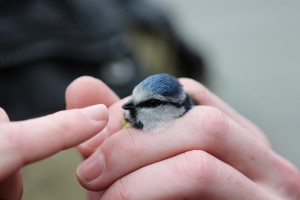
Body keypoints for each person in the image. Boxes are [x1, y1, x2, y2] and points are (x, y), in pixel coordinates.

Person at [0, 76, 299, 200]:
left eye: (151, 104)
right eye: (133, 99)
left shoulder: (147, 27)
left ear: (180, 108)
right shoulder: (122, 122)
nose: (130, 106)